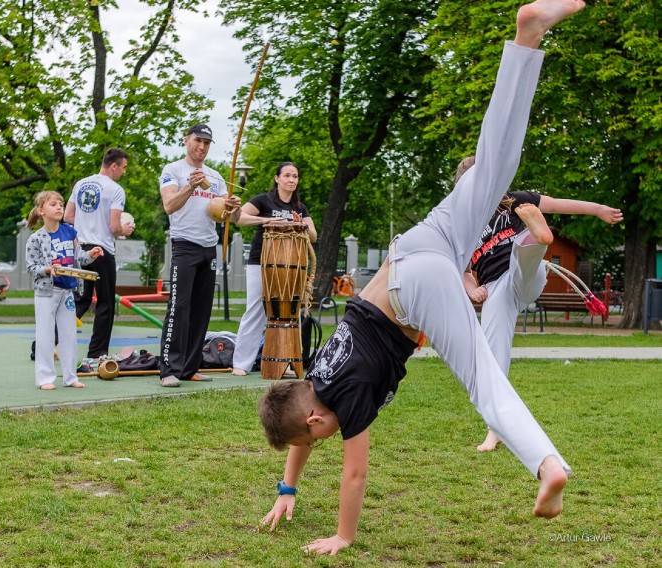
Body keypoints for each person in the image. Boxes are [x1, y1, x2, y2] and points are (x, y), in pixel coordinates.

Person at [257, 0, 585, 555]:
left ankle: (548, 465)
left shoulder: (348, 398)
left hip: (416, 290)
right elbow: (298, 423)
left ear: (316, 418)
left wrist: (342, 535)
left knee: (485, 377)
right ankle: (525, 40)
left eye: (315, 434)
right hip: (418, 245)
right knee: (494, 165)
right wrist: (288, 487)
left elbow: (353, 474)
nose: (320, 440)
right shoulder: (315, 378)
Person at [463, 189, 622, 451]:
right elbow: (464, 271)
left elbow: (559, 204)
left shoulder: (514, 201)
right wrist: (471, 289)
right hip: (495, 290)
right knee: (492, 358)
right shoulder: (464, 225)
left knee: (523, 253)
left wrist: (597, 209)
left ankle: (537, 239)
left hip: (524, 272)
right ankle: (495, 430)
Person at [157, 123, 242, 387]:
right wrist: (190, 187)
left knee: (202, 310)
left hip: (209, 248)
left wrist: (234, 207)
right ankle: (169, 369)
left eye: (206, 143)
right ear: (187, 140)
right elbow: (169, 206)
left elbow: (229, 217)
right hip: (184, 245)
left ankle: (190, 367)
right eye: (198, 141)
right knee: (178, 309)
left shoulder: (216, 176)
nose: (202, 147)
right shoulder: (173, 170)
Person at [231, 162, 317, 376]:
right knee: (256, 311)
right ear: (277, 178)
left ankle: (284, 362)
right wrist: (268, 220)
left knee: (287, 314)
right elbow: (239, 218)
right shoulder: (263, 200)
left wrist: (301, 224)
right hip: (261, 262)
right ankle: (241, 363)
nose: (291, 180)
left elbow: (314, 235)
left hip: (290, 267)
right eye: (287, 175)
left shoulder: (300, 207)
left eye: (295, 176)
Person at [26, 191, 102, 390]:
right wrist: (48, 270)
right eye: (53, 204)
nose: (59, 207)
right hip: (46, 293)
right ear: (41, 211)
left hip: (68, 292)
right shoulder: (36, 238)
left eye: (61, 203)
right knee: (45, 335)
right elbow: (31, 267)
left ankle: (70, 377)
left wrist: (91, 255)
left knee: (69, 334)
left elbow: (79, 260)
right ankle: (45, 379)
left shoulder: (70, 232)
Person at [65, 148, 134, 364]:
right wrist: (125, 229)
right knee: (105, 303)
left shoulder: (81, 184)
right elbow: (114, 227)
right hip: (102, 251)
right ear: (114, 166)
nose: (123, 172)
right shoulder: (115, 190)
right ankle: (96, 352)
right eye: (123, 167)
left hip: (81, 249)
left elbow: (68, 216)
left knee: (80, 301)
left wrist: (86, 227)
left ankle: (44, 344)